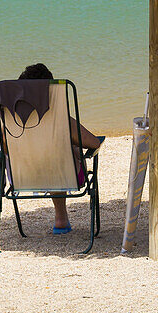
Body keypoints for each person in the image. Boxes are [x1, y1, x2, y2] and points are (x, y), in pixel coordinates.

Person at [17, 63, 104, 235]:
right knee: (61, 150)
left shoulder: (12, 123)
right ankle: (61, 219)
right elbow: (94, 143)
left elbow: (4, 149)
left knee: (49, 152)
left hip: (22, 177)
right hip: (64, 175)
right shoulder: (62, 120)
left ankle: (61, 217)